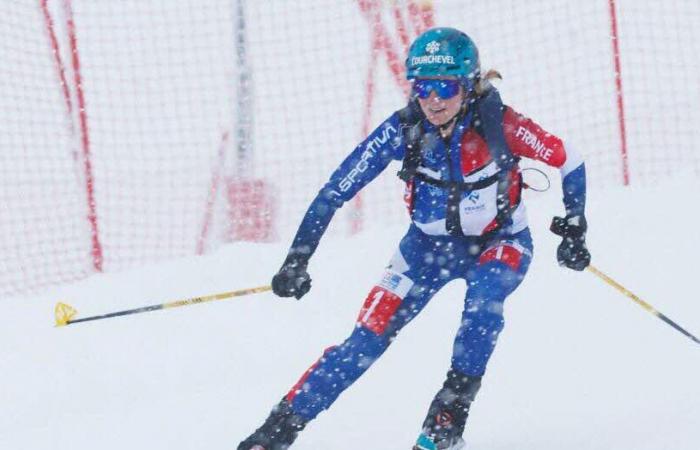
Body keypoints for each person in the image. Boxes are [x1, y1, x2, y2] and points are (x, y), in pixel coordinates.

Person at [237, 27, 590, 450]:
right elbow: (336, 190)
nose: (434, 100)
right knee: (365, 340)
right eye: (423, 87)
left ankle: (446, 422)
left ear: (469, 85)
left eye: (445, 87)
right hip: (425, 251)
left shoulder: (502, 123)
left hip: (501, 243)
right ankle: (275, 433)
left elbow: (570, 158)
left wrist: (575, 225)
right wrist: (298, 258)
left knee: (484, 302)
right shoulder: (402, 130)